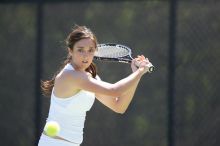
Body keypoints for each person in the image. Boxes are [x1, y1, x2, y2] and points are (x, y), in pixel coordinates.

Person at [38, 25, 152, 146]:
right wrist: (140, 71)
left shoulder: (90, 77)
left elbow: (119, 106)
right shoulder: (70, 76)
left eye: (90, 50)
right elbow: (115, 90)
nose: (86, 55)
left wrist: (136, 74)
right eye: (80, 50)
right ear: (70, 51)